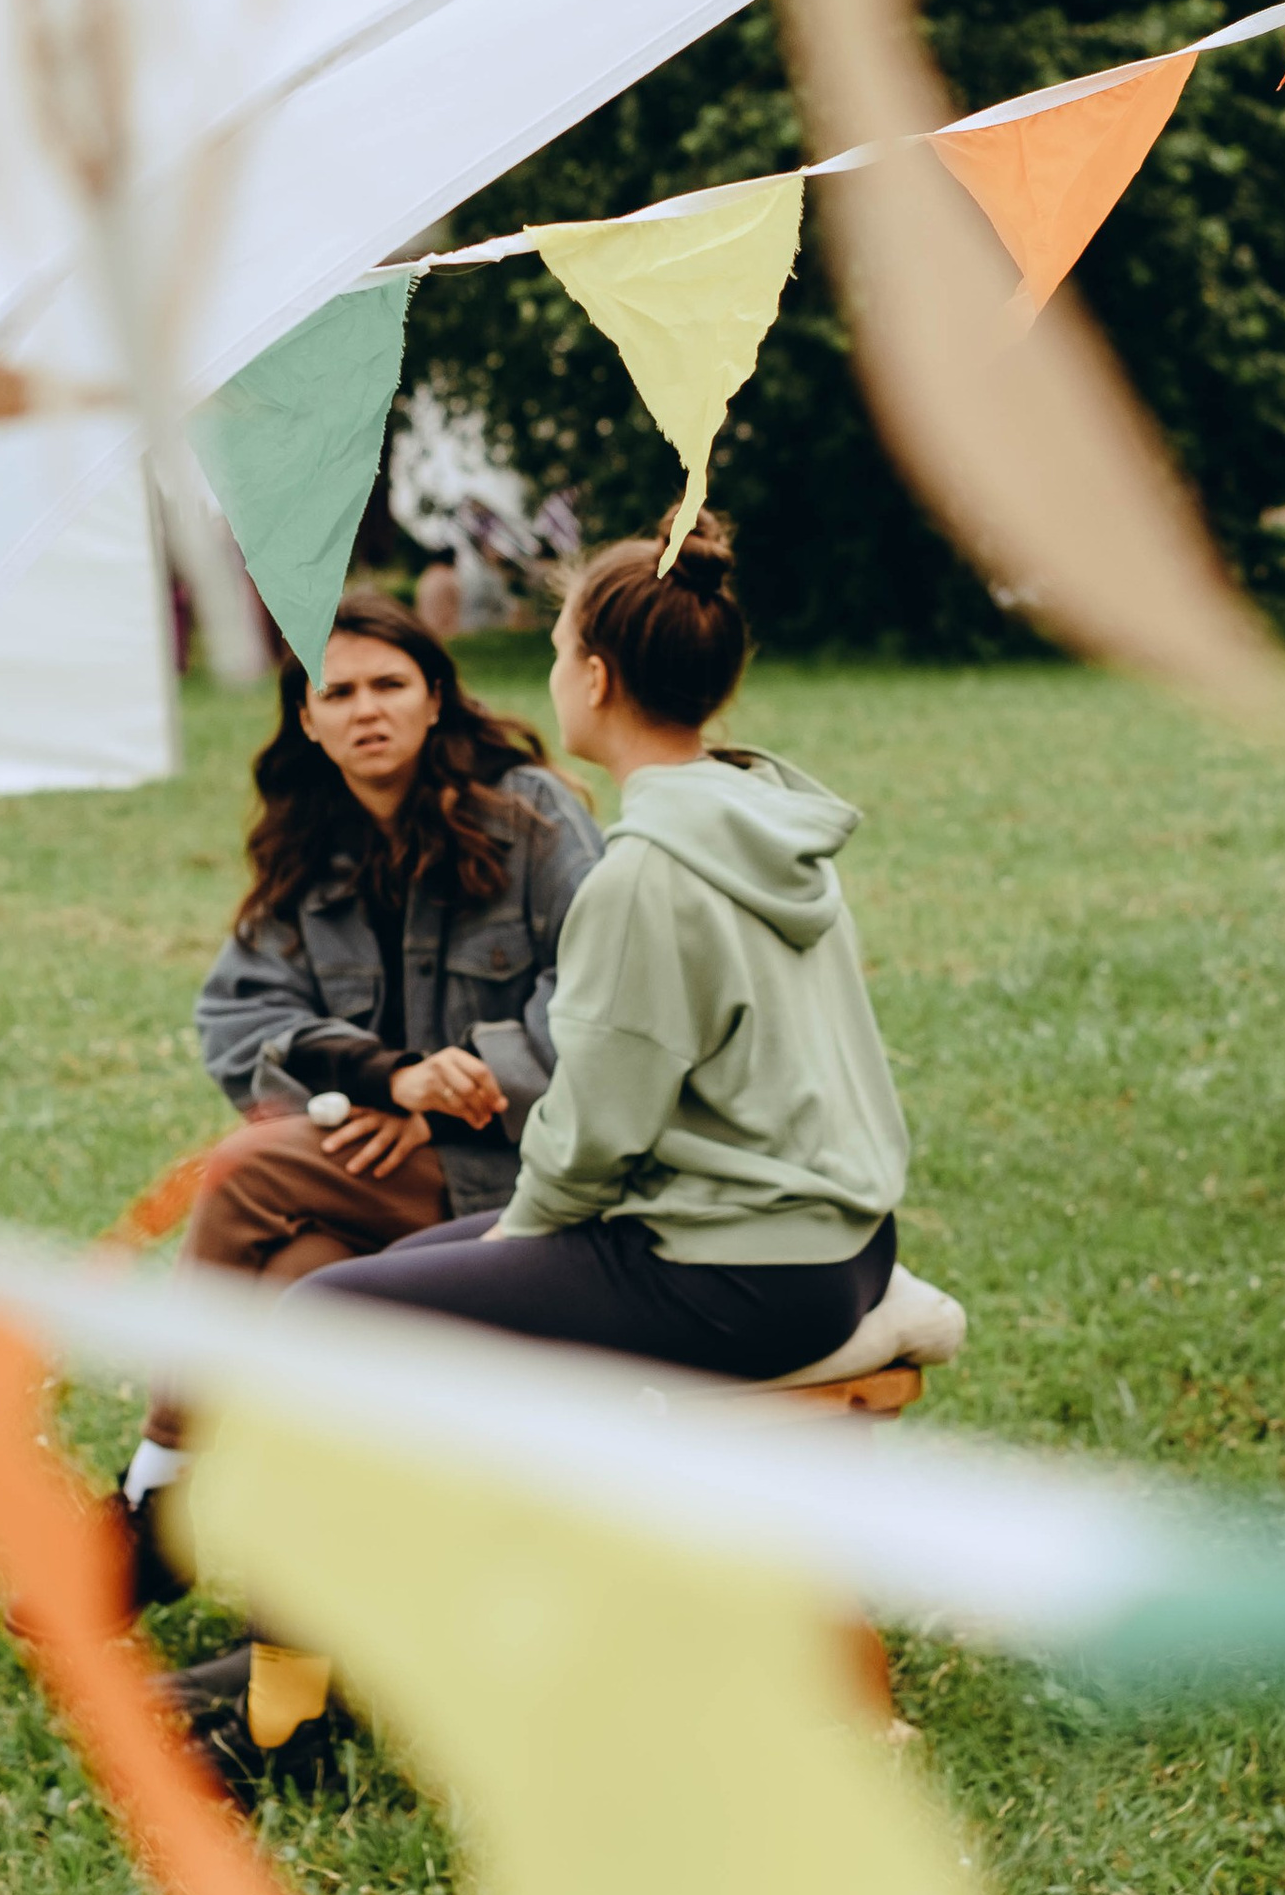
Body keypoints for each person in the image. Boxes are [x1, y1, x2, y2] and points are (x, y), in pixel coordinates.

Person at [130, 591, 600, 1763]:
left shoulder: (532, 818)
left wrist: (458, 1095)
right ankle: (294, 1695)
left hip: (526, 1185)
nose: (366, 709)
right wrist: (379, 1090)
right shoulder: (312, 851)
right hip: (370, 1181)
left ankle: (164, 1488)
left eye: (388, 683)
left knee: (244, 1173)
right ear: (309, 719)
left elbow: (601, 1005)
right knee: (295, 1296)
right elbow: (240, 1026)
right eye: (337, 692)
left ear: (434, 694)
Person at [299, 515, 907, 1381]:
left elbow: (596, 1127)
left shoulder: (646, 876)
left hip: (745, 1276)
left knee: (322, 1309)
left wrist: (524, 1228)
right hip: (848, 1242)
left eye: (555, 654)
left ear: (593, 677)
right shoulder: (761, 820)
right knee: (399, 1272)